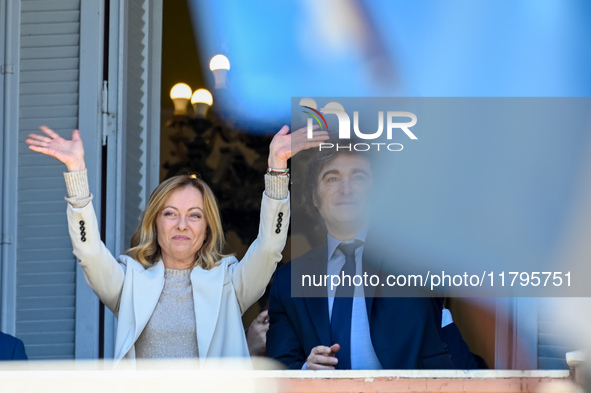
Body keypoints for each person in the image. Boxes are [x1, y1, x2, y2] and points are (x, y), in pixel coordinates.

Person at [25, 124, 328, 363]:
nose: (182, 224)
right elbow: (89, 252)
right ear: (154, 224)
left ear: (207, 229)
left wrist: (277, 167)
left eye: (194, 215)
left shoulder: (229, 281)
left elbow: (269, 247)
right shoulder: (129, 279)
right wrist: (76, 172)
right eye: (170, 214)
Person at [267, 148, 485, 370]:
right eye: (332, 178)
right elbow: (279, 368)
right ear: (314, 196)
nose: (346, 189)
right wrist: (306, 370)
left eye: (359, 177)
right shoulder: (288, 281)